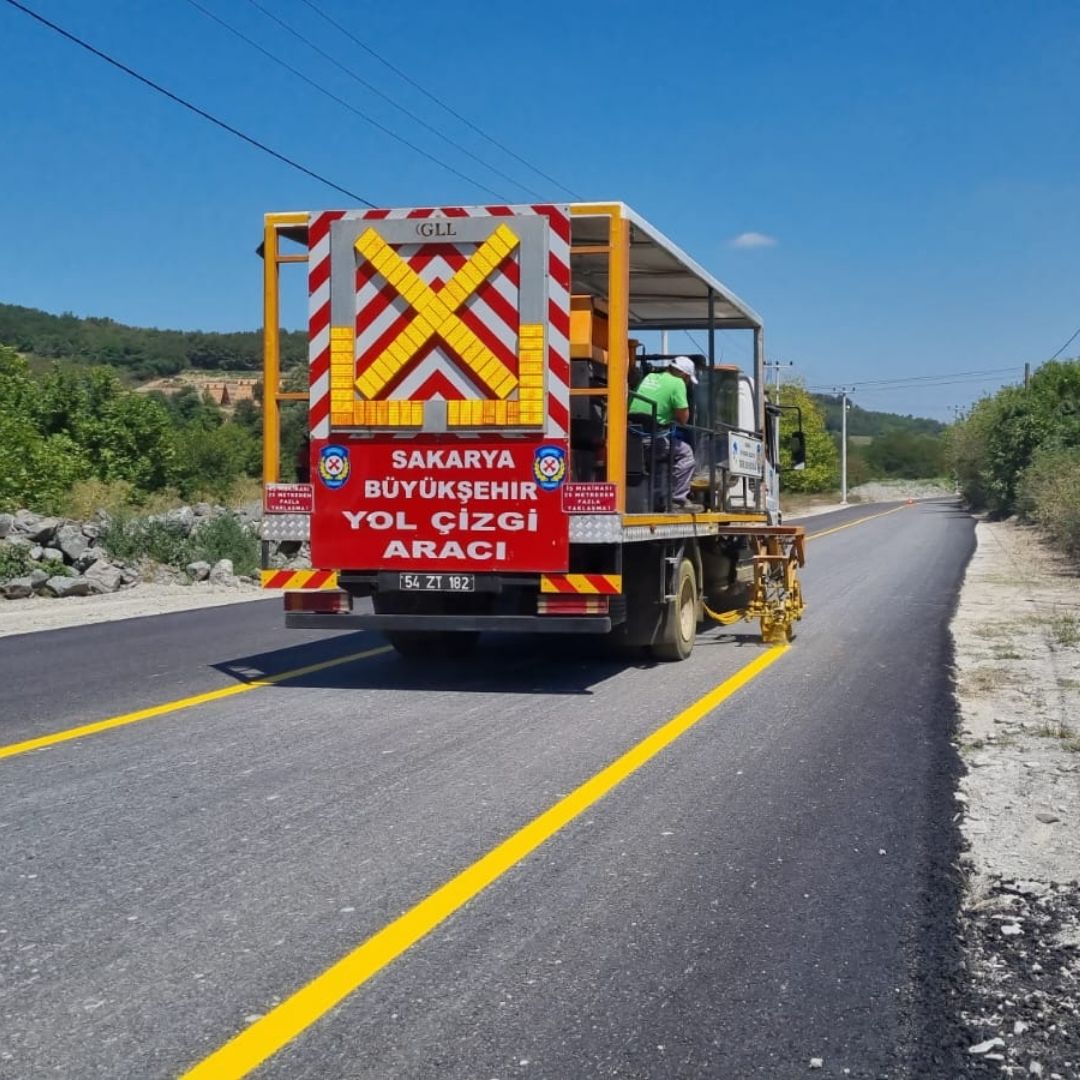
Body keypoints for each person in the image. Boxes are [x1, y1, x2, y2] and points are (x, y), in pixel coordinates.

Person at [628, 355, 698, 508]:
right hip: (652, 439)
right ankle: (678, 499)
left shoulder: (650, 376)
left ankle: (657, 497)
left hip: (630, 436)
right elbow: (683, 418)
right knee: (686, 454)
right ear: (685, 375)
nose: (686, 383)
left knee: (664, 452)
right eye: (687, 380)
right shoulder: (678, 382)